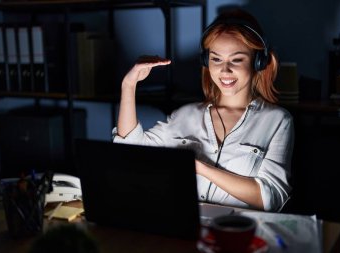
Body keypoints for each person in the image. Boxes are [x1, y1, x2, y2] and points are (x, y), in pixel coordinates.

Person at [112, 8, 294, 212]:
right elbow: (130, 150)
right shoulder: (185, 115)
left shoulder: (278, 120)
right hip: (185, 226)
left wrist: (199, 167)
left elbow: (270, 198)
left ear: (258, 62)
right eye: (216, 59)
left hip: (241, 231)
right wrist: (128, 86)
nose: (225, 70)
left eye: (236, 59)